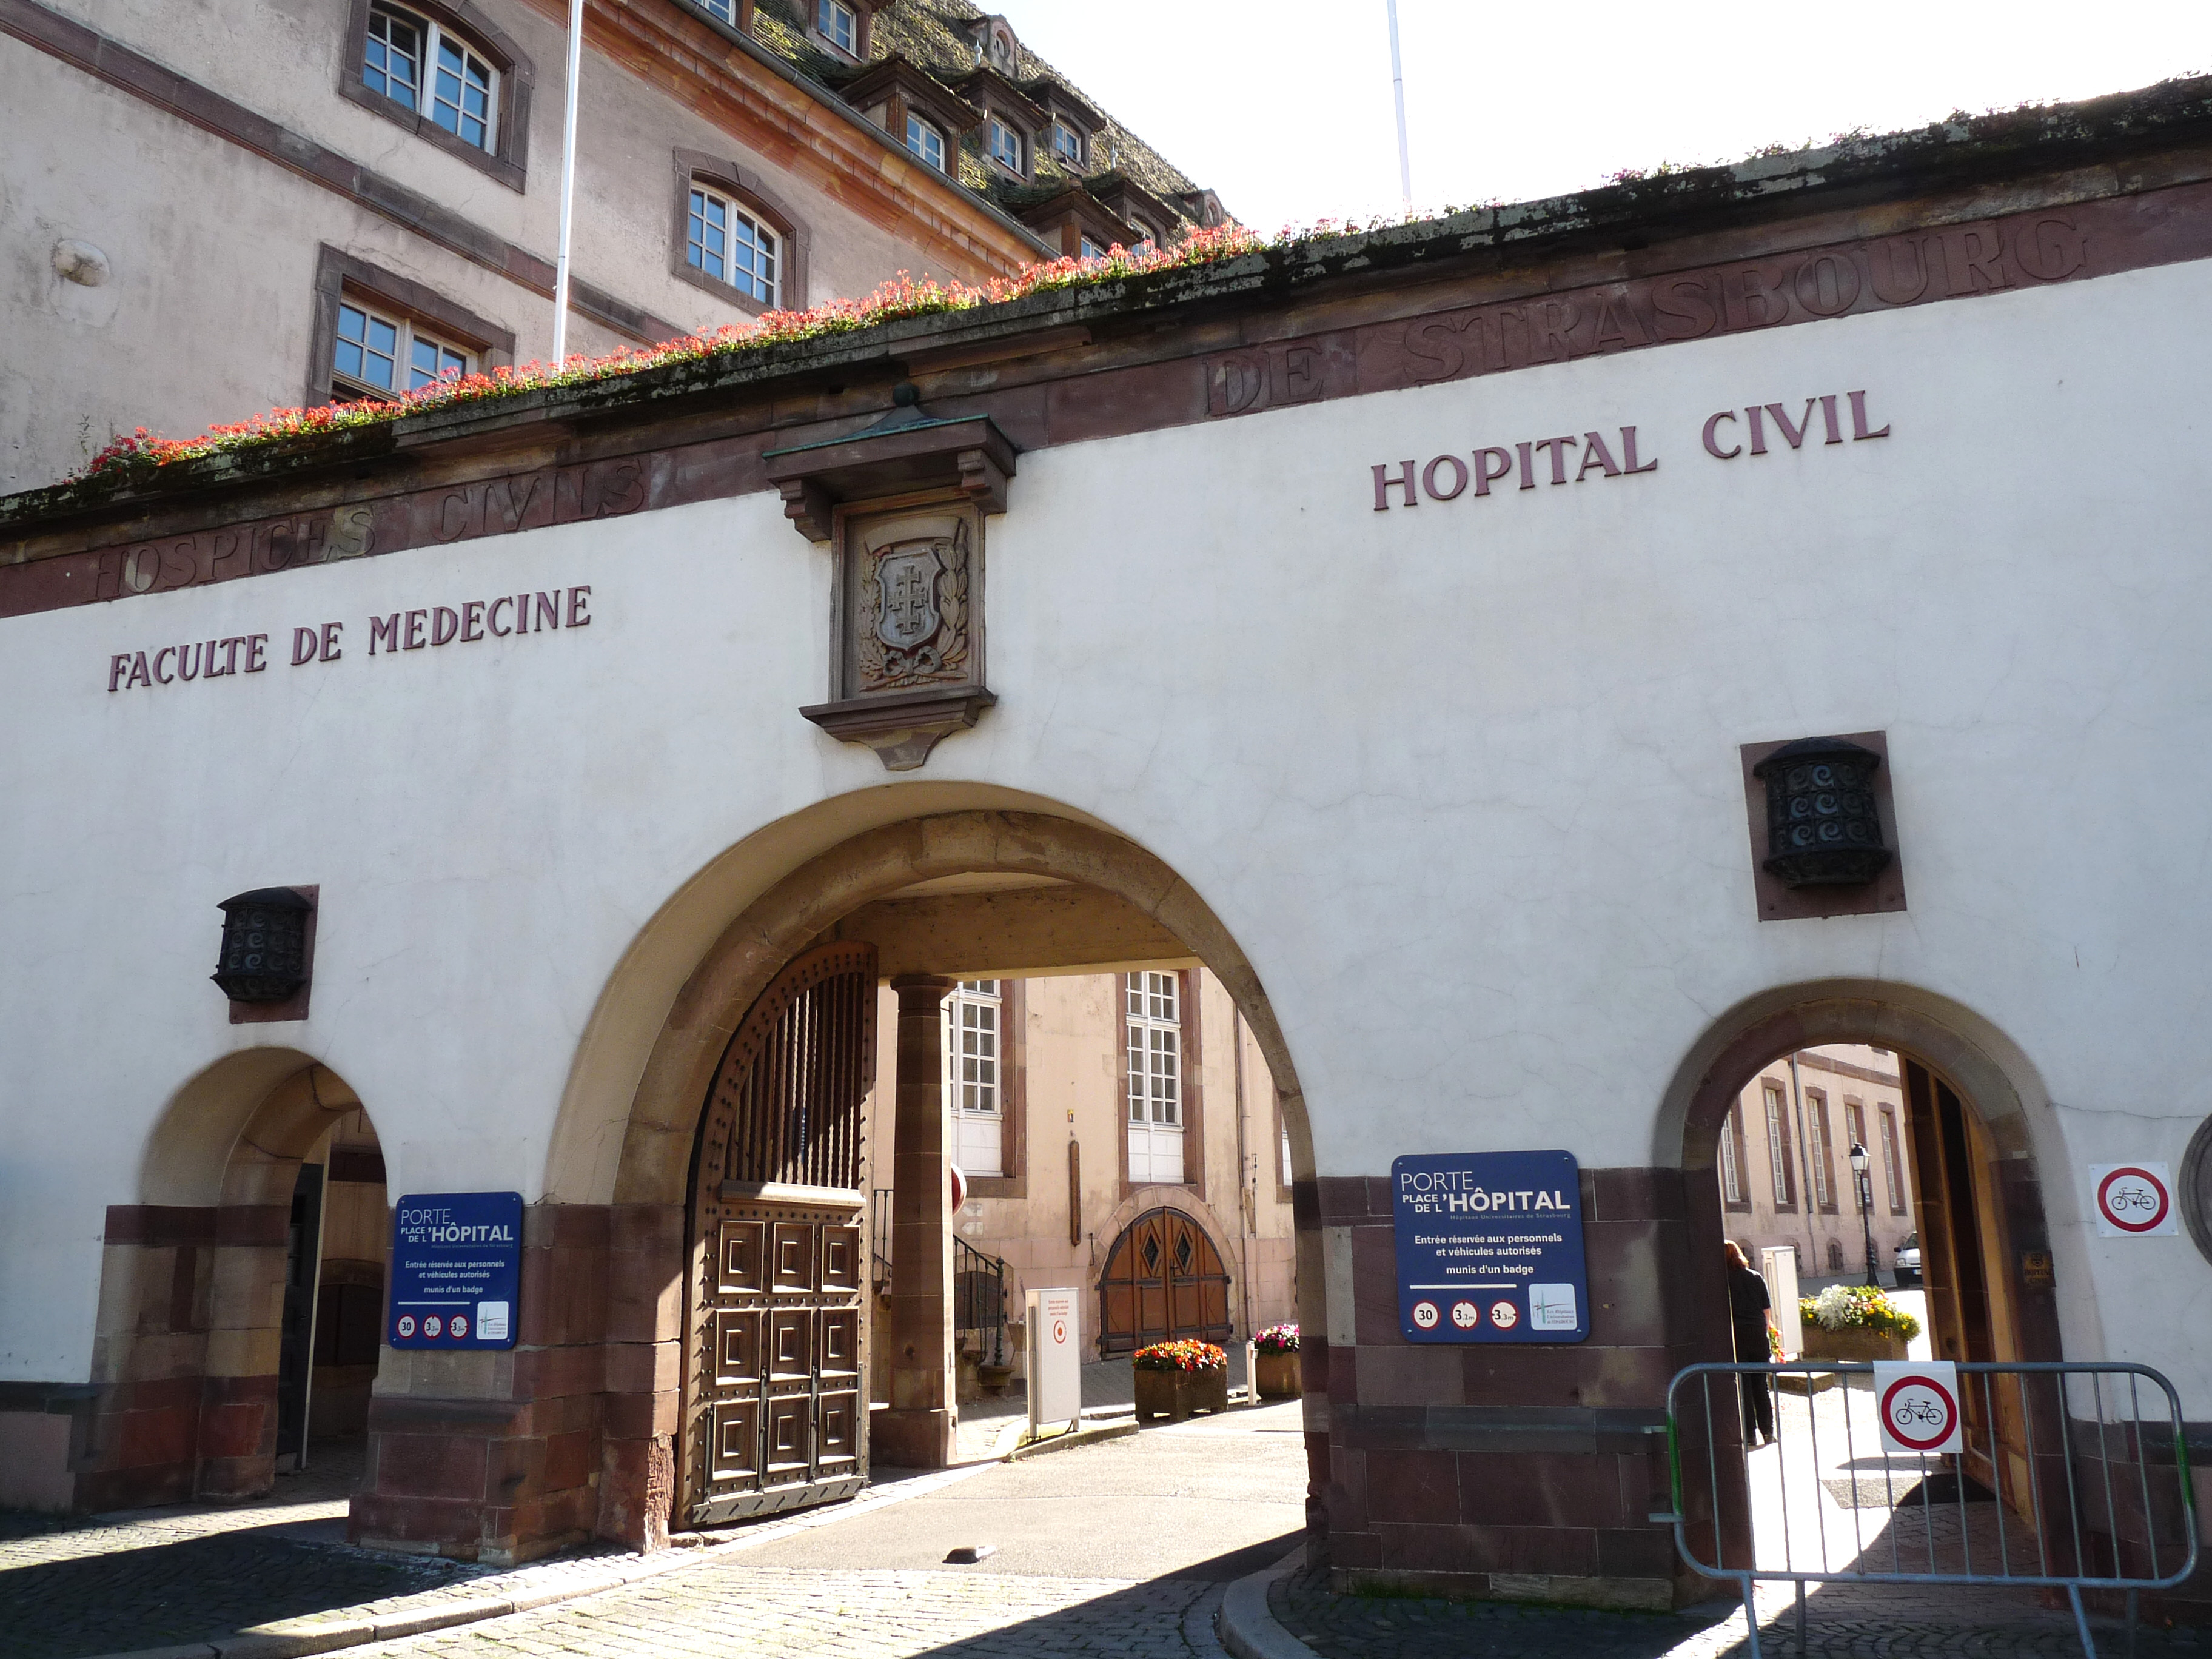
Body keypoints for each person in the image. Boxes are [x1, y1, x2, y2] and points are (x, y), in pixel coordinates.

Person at [1724, 1240, 1777, 1447]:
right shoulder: (1755, 1277)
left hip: (1736, 1335)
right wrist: (1764, 1331)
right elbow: (1766, 1311)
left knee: (1744, 1386)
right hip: (1757, 1333)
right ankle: (1768, 1432)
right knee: (1761, 1385)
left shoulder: (1723, 1281)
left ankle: (1749, 1434)